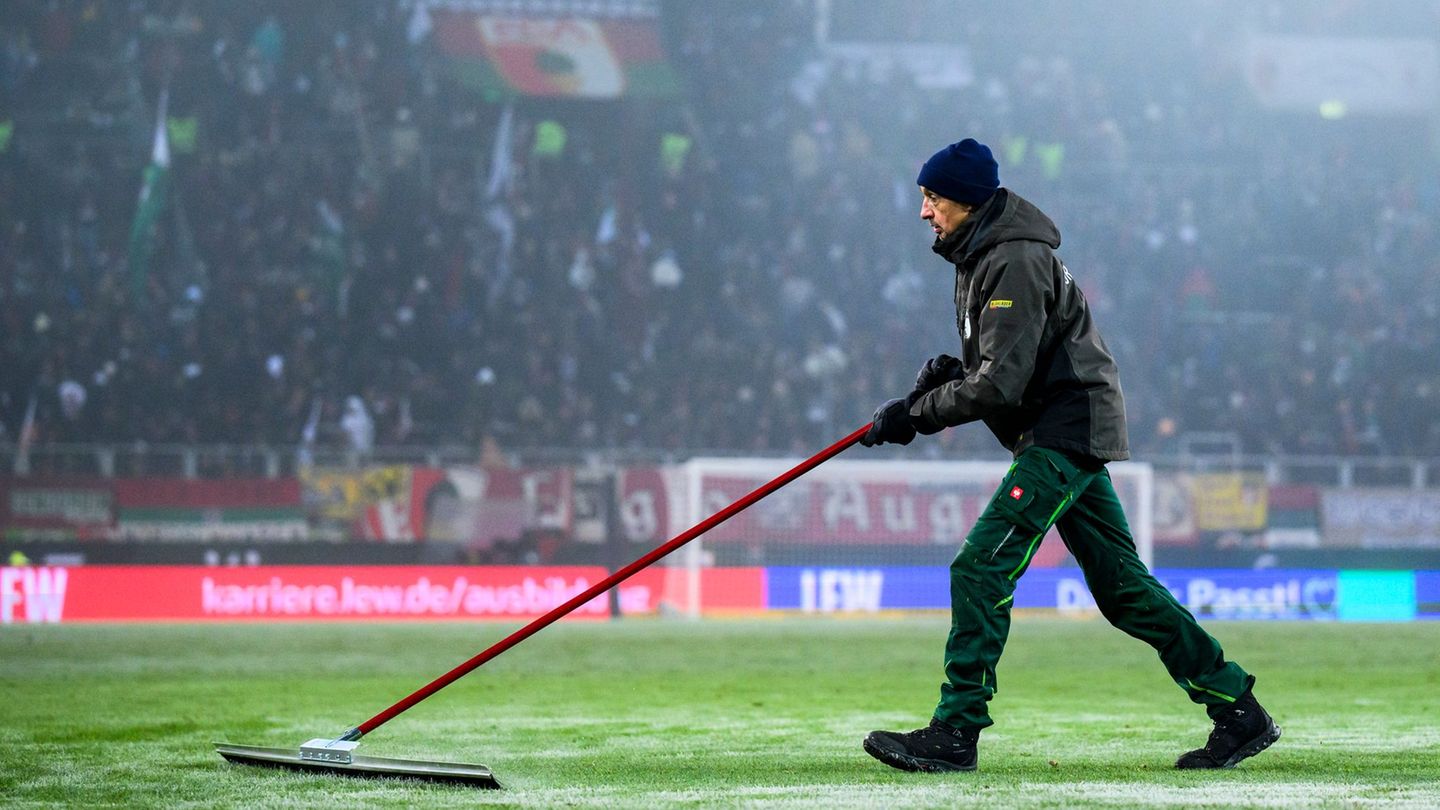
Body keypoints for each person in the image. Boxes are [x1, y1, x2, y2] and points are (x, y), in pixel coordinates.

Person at [858, 138, 1280, 773]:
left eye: (933, 197)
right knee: (1124, 590)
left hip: (1064, 431)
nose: (924, 211)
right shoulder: (983, 256)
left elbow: (1001, 383)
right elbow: (1005, 361)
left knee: (979, 568)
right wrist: (950, 373)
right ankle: (1240, 712)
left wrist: (915, 415)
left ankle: (956, 731)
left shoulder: (1014, 259)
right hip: (1063, 427)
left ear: (969, 201)